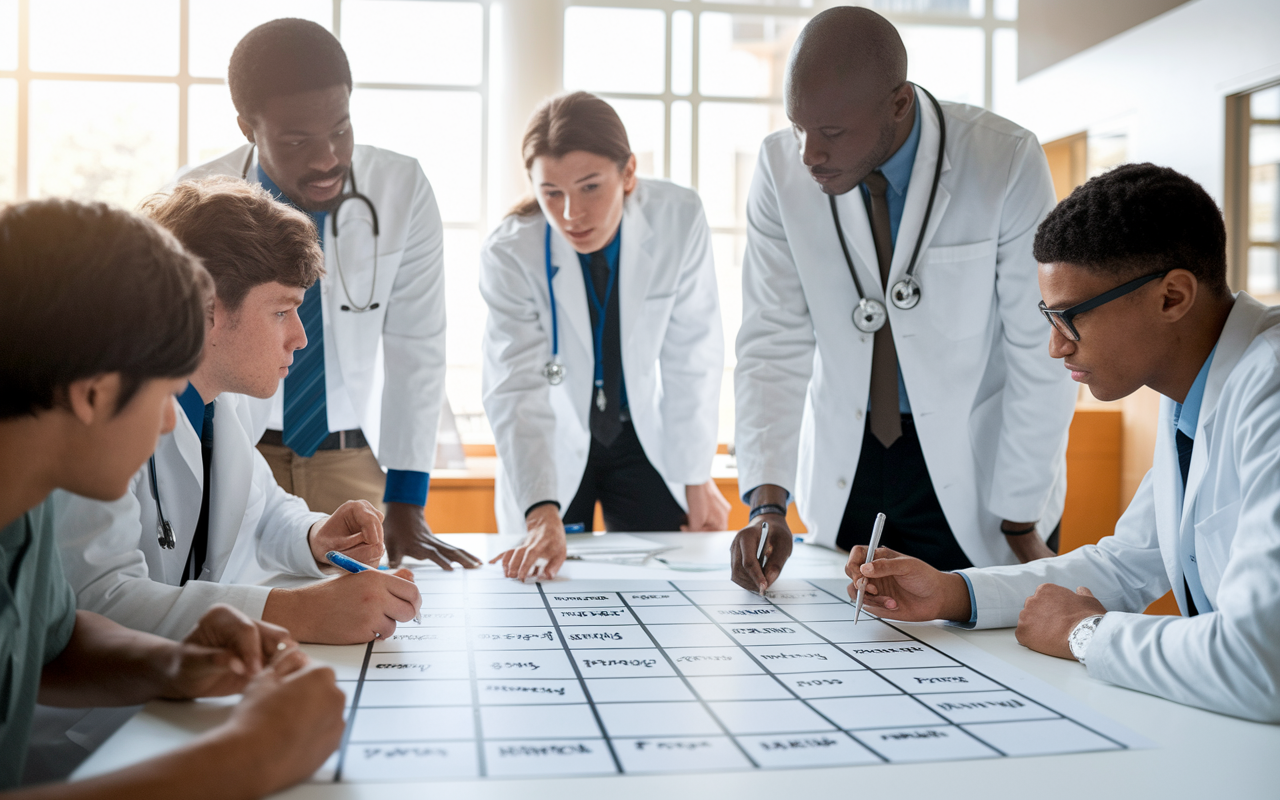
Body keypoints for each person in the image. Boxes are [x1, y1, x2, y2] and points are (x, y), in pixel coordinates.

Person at [847, 163, 1280, 723]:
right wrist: (950, 594)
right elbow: (1125, 566)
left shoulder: (1268, 387)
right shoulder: (1190, 386)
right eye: (1047, 317)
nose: (1055, 347)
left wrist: (1087, 635)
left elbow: (1259, 662)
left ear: (1172, 297)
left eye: (1070, 318)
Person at [28, 178, 421, 781]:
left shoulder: (219, 409)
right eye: (284, 310)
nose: (301, 337)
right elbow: (96, 603)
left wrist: (316, 538)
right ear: (208, 309)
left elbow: (260, 506)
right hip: (68, 747)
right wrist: (299, 615)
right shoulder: (94, 430)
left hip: (152, 713)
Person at [730, 7, 1076, 593]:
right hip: (849, 469)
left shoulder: (1004, 159)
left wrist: (1019, 514)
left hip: (983, 480)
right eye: (798, 127)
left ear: (899, 103)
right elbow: (772, 341)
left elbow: (1040, 345)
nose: (809, 153)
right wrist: (767, 504)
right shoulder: (778, 169)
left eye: (832, 133)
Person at [177, 17, 480, 570]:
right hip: (236, 446)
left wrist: (408, 501)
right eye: (297, 140)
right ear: (248, 127)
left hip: (352, 457)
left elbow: (418, 345)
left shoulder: (402, 188)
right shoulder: (197, 199)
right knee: (234, 602)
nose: (327, 158)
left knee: (368, 627)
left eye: (341, 129)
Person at [481, 92, 728, 580]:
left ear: (629, 173)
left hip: (641, 436)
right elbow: (514, 388)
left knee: (665, 588)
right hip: (551, 436)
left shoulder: (677, 216)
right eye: (551, 191)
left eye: (590, 186)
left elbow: (692, 355)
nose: (571, 213)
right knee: (545, 586)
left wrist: (695, 476)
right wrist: (539, 509)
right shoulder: (511, 251)